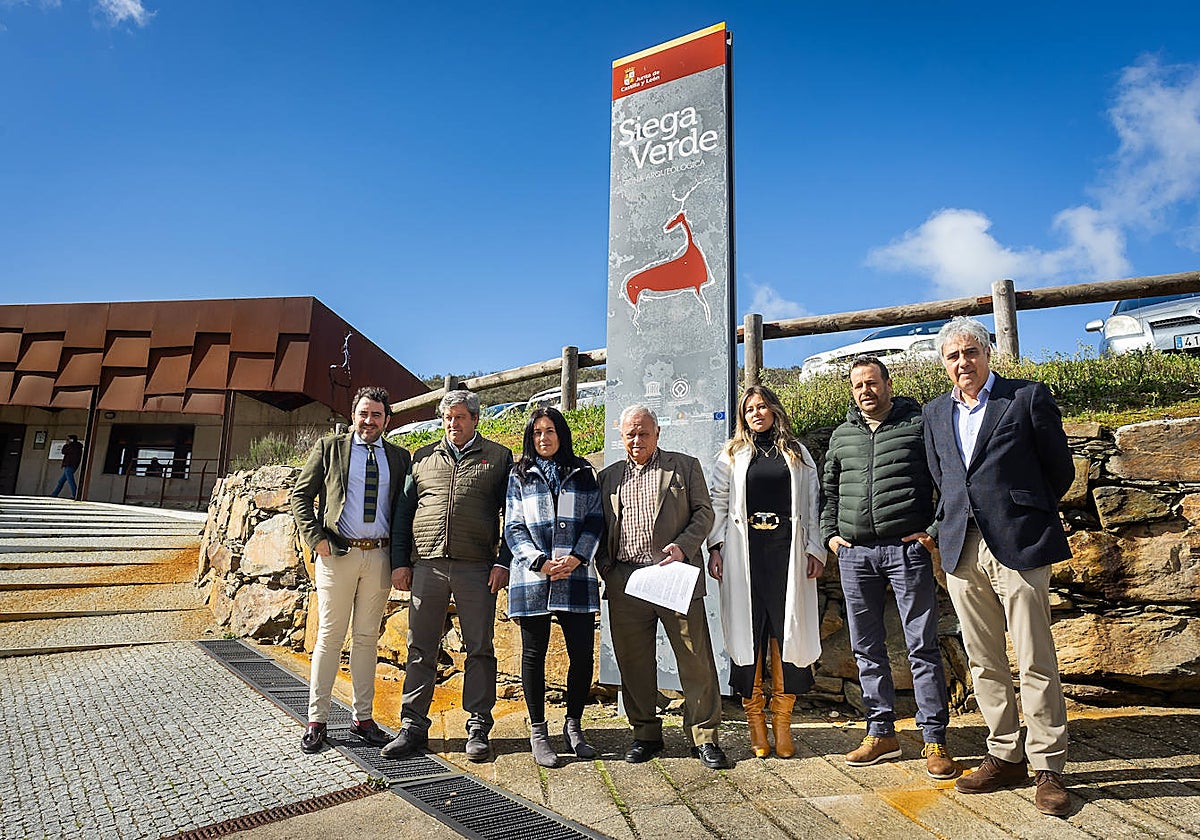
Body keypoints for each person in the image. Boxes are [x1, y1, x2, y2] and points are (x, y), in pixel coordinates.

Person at [924, 316, 1074, 817]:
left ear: (987, 354)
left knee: (1034, 656)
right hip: (961, 548)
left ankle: (1047, 765)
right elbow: (942, 476)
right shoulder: (934, 412)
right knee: (983, 658)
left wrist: (1025, 513)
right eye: (953, 356)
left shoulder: (1026, 397)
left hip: (1019, 543)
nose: (963, 362)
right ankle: (1005, 754)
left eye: (970, 352)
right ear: (944, 364)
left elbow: (1059, 469)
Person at [821, 357, 959, 779]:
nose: (865, 390)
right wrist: (831, 536)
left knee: (922, 646)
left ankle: (934, 738)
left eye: (872, 382)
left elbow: (948, 479)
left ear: (888, 383)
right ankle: (881, 733)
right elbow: (828, 492)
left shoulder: (918, 425)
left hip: (906, 551)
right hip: (856, 555)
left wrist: (931, 532)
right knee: (866, 647)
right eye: (858, 385)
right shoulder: (842, 435)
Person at [383, 389, 514, 762]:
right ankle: (412, 727)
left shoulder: (498, 457)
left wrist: (503, 561)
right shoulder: (422, 457)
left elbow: (513, 514)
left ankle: (478, 726)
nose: (453, 424)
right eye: (447, 418)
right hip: (427, 565)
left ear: (475, 419)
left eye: (460, 417)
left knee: (480, 648)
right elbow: (403, 513)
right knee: (420, 647)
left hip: (477, 568)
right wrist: (400, 562)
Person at [597, 405, 729, 770]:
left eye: (644, 433)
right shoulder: (608, 477)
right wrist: (606, 567)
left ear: (657, 433)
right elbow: (597, 526)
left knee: (695, 659)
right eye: (630, 434)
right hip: (627, 581)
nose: (637, 439)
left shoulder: (684, 467)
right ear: (621, 436)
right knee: (634, 663)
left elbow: (704, 512)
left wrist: (684, 547)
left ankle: (704, 736)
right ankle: (645, 735)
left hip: (675, 577)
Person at [290, 386, 410, 754]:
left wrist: (400, 559)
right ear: (353, 415)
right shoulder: (330, 448)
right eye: (363, 413)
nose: (369, 421)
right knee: (329, 636)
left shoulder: (399, 457)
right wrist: (316, 539)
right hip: (337, 555)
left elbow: (403, 510)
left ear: (386, 420)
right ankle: (317, 720)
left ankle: (363, 719)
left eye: (376, 415)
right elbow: (300, 495)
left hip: (379, 557)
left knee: (367, 639)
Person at [707, 385, 823, 759]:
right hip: (745, 553)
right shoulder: (732, 454)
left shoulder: (797, 453)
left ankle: (782, 723)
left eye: (761, 406)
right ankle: (755, 722)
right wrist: (716, 546)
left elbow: (814, 504)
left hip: (787, 551)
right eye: (749, 409)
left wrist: (815, 547)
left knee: (786, 633)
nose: (756, 413)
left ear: (774, 409)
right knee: (749, 634)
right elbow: (718, 503)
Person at [504, 407, 604, 767]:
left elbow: (595, 519)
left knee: (582, 654)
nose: (543, 438)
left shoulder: (582, 472)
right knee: (534, 655)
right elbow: (513, 526)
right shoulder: (520, 475)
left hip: (575, 575)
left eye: (549, 431)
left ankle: (574, 725)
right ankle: (538, 731)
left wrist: (577, 557)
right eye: (536, 433)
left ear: (561, 434)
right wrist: (539, 562)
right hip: (534, 577)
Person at [51, 434, 84, 499]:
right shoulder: (76, 446)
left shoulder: (74, 447)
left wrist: (66, 445)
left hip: (70, 465)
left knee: (70, 481)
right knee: (61, 481)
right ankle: (54, 494)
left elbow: (64, 451)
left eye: (68, 439)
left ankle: (75, 494)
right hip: (70, 465)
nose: (66, 441)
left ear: (71, 440)